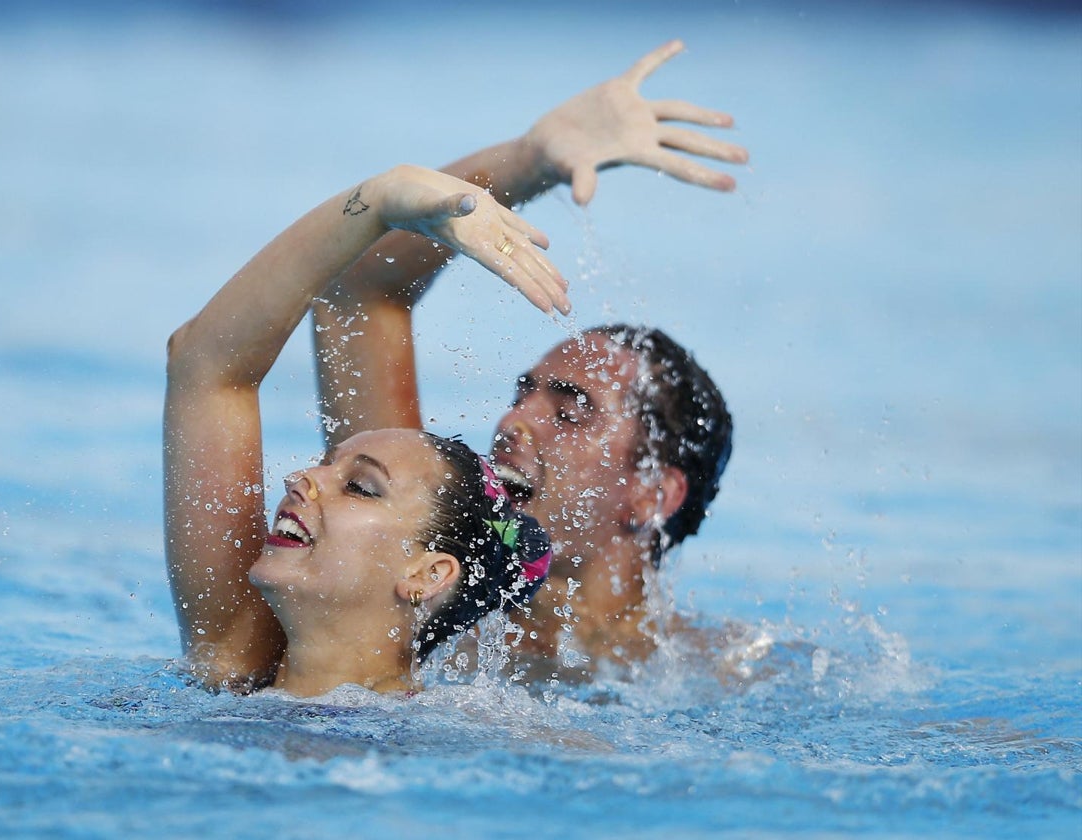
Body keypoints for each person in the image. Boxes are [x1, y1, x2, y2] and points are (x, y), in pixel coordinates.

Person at [311, 41, 746, 679]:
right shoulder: (421, 600)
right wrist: (531, 162)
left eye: (569, 413)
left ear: (653, 493)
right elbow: (358, 297)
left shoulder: (732, 673)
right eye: (522, 395)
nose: (513, 423)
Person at [164, 163, 558, 696]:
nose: (303, 478)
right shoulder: (231, 665)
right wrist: (374, 202)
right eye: (328, 465)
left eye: (359, 487)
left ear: (426, 574)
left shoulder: (450, 742)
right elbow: (206, 364)